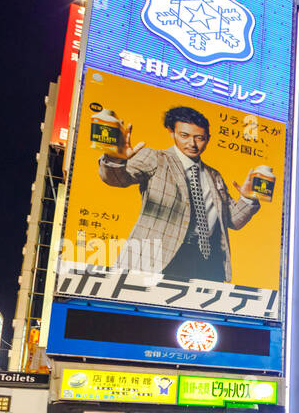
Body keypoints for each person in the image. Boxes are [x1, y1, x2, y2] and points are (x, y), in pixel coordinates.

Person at [100, 105, 261, 283]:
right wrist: (116, 159)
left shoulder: (214, 176)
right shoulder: (156, 158)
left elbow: (233, 221)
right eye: (184, 136)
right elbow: (118, 179)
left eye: (199, 138)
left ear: (207, 139)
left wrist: (248, 198)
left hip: (206, 261)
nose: (192, 144)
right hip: (158, 256)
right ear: (172, 133)